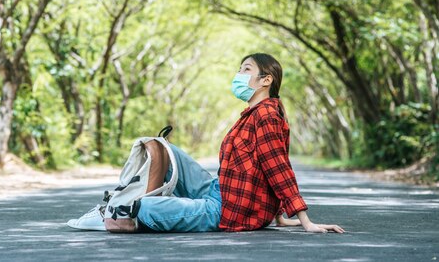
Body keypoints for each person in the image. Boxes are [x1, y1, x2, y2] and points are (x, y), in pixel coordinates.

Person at [70, 53, 345, 234]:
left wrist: (305, 220)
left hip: (228, 209)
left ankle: (123, 212)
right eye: (239, 69)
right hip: (219, 188)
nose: (238, 75)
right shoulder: (252, 115)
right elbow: (261, 170)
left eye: (246, 70)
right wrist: (279, 217)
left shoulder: (266, 115)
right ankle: (131, 204)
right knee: (156, 146)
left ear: (266, 80)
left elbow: (277, 167)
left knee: (147, 209)